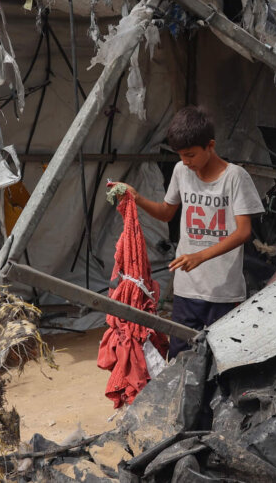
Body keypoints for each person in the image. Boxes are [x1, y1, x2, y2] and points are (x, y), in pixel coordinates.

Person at [110, 106, 263, 357]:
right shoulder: (182, 172)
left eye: (191, 154)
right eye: (181, 155)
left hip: (223, 291)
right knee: (180, 353)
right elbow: (166, 212)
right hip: (186, 288)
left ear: (210, 145)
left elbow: (243, 232)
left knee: (221, 357)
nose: (186, 161)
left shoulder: (235, 177)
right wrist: (137, 198)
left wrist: (200, 256)